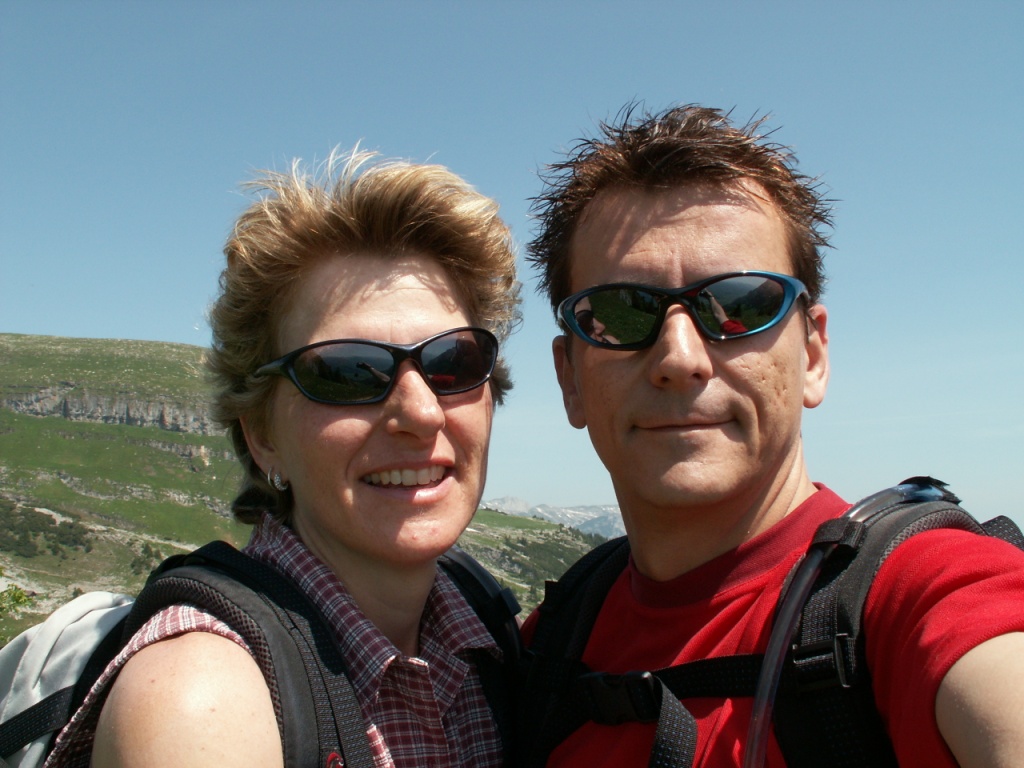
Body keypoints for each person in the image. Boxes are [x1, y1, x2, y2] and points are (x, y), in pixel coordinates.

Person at [522, 104, 1024, 767]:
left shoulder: (919, 595)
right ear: (570, 379)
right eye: (620, 313)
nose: (679, 358)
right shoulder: (550, 641)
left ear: (812, 355)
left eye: (740, 305)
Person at [46, 150, 520, 767]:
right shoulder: (200, 700)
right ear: (262, 434)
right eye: (348, 372)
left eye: (453, 362)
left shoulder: (491, 635)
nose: (422, 412)